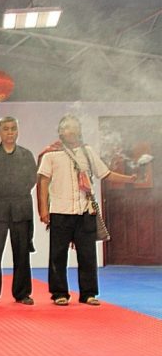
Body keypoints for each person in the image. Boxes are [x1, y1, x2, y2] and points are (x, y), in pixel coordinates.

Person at [37, 114, 135, 306]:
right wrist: (43, 209)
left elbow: (105, 174)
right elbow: (43, 182)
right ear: (60, 132)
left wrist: (129, 179)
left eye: (75, 127)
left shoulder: (87, 152)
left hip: (85, 210)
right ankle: (59, 293)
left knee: (88, 254)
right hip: (60, 210)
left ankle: (88, 293)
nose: (72, 131)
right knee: (57, 255)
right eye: (67, 128)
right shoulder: (51, 154)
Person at [0, 117, 37, 306]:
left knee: (22, 252)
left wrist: (16, 194)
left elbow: (32, 180)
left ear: (17, 132)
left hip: (21, 206)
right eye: (6, 129)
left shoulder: (26, 155)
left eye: (13, 129)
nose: (10, 132)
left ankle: (22, 293)